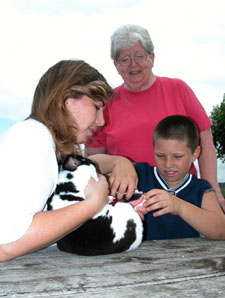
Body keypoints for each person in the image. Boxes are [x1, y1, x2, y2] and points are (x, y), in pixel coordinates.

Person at [0, 59, 138, 262]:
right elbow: (6, 244)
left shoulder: (41, 139)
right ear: (66, 99)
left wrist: (119, 162)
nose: (101, 120)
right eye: (97, 107)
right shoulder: (33, 140)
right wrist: (94, 204)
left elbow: (81, 163)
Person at [85, 24, 225, 213]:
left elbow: (206, 140)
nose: (133, 64)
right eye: (124, 59)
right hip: (127, 206)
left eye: (140, 56)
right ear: (116, 66)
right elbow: (93, 160)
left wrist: (211, 189)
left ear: (152, 58)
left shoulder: (178, 89)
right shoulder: (105, 104)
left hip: (183, 200)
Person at [133, 115, 225, 240]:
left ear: (195, 154)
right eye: (160, 155)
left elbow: (221, 230)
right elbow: (99, 164)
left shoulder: (201, 189)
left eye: (177, 157)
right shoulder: (138, 175)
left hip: (189, 258)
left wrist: (180, 207)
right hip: (137, 259)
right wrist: (119, 163)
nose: (168, 164)